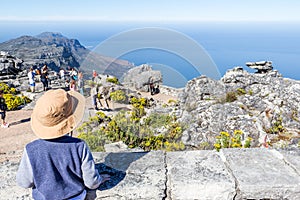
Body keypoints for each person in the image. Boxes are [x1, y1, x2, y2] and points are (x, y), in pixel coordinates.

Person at [16, 89, 110, 199]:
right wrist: (99, 179)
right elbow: (91, 182)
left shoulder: (31, 149)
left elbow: (24, 182)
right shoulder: (79, 146)